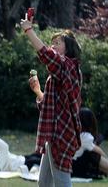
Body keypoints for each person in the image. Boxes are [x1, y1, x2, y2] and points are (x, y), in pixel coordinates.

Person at [20, 15, 82, 187]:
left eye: (57, 43)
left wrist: (28, 30)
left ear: (67, 48)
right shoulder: (59, 72)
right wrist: (38, 91)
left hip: (61, 133)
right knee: (44, 183)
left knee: (61, 181)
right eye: (52, 43)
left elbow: (46, 55)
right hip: (54, 133)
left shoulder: (68, 66)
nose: (53, 46)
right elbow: (50, 107)